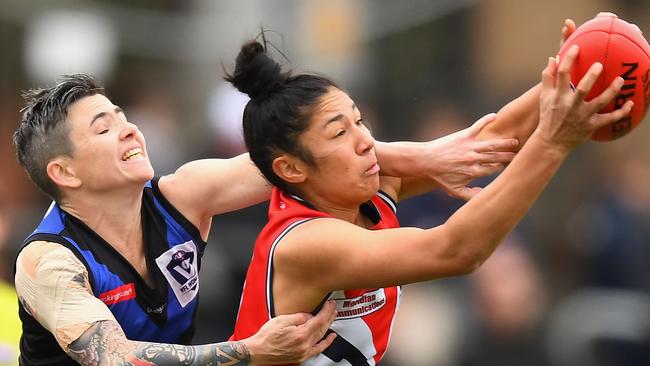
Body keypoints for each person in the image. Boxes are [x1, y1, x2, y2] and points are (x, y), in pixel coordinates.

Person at [11, 66, 518, 366]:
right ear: (65, 172)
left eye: (124, 117)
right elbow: (114, 359)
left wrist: (431, 156)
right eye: (104, 129)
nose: (129, 130)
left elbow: (304, 158)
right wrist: (247, 352)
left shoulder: (183, 193)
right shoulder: (46, 261)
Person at [225, 24, 632, 365]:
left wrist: (573, 71)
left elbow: (488, 147)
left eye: (359, 121)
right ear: (291, 168)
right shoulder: (306, 242)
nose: (366, 142)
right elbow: (456, 250)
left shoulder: (364, 191)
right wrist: (553, 143)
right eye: (339, 132)